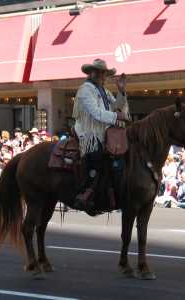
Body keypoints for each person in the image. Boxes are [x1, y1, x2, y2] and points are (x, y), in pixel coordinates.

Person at [72, 59, 130, 214]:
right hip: (87, 131)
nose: (100, 75)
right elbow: (95, 113)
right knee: (96, 153)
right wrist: (116, 117)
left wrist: (122, 91)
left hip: (104, 131)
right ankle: (86, 190)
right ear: (91, 73)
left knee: (119, 156)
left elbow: (118, 107)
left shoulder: (105, 91)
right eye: (97, 71)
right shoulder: (85, 89)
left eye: (103, 72)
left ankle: (112, 192)